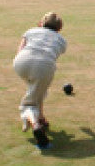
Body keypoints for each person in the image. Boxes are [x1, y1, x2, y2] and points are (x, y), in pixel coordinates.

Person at [13, 12, 67, 148]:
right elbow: (52, 54)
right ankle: (35, 124)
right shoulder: (62, 40)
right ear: (59, 28)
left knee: (37, 91)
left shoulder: (31, 31)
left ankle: (41, 117)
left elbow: (20, 50)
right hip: (44, 67)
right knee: (31, 101)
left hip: (21, 62)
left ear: (41, 23)